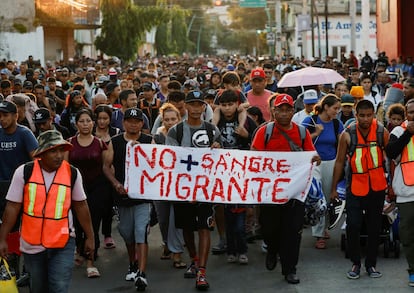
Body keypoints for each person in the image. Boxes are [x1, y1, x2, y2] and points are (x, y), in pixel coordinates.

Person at [0, 130, 95, 293]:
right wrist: (3, 239)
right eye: (53, 151)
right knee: (38, 288)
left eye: (61, 150)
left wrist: (91, 237)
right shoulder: (23, 172)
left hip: (63, 242)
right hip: (32, 244)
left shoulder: (72, 173)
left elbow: (81, 206)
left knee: (59, 286)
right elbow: (12, 207)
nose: (59, 155)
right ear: (41, 153)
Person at [251, 93, 320, 284]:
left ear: (292, 111)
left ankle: (290, 269)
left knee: (292, 231)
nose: (283, 113)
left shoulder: (301, 132)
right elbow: (254, 155)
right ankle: (272, 250)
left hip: (295, 192)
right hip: (270, 192)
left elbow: (311, 154)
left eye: (287, 110)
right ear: (273, 111)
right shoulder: (264, 132)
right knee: (270, 228)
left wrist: (316, 158)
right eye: (279, 110)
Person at [165, 90, 222, 291]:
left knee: (204, 228)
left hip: (206, 189)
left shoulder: (212, 130)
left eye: (200, 105)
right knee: (187, 228)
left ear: (204, 107)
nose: (197, 108)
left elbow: (222, 161)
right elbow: (170, 162)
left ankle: (202, 271)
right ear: (186, 107)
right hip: (183, 190)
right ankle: (194, 259)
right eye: (193, 104)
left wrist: (218, 147)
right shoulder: (175, 132)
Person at [330, 100, 389, 279]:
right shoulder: (347, 134)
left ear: (373, 115)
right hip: (355, 186)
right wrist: (333, 189)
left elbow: (390, 159)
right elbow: (339, 161)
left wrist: (392, 185)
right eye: (361, 115)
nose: (365, 119)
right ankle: (356, 263)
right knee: (353, 225)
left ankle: (371, 265)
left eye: (369, 115)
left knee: (374, 228)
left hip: (377, 187)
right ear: (356, 115)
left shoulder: (381, 132)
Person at [103, 108, 152, 291]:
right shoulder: (114, 142)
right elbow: (106, 167)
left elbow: (157, 165)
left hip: (142, 197)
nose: (133, 124)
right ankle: (133, 262)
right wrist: (116, 184)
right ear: (124, 123)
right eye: (130, 120)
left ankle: (142, 273)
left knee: (141, 231)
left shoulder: (148, 141)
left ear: (142, 123)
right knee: (127, 233)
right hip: (122, 196)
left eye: (137, 121)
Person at [65, 108, 111, 278]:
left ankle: (90, 261)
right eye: (81, 121)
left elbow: (107, 167)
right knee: (77, 224)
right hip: (76, 188)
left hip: (97, 188)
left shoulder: (100, 143)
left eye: (88, 121)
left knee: (93, 224)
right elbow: (65, 169)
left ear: (93, 123)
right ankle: (79, 250)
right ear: (76, 124)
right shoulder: (69, 143)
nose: (85, 124)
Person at [215, 89, 257, 264]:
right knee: (227, 213)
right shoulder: (216, 122)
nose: (227, 108)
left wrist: (247, 137)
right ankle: (231, 249)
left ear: (237, 105)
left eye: (230, 104)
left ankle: (242, 249)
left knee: (241, 213)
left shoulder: (247, 122)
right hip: (222, 173)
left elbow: (256, 142)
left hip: (242, 173)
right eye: (223, 105)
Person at [302, 94, 344, 249]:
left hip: (331, 163)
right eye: (335, 108)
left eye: (338, 109)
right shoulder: (310, 121)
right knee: (317, 197)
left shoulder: (336, 123)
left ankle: (323, 227)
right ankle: (318, 234)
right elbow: (301, 141)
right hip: (314, 163)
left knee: (327, 196)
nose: (337, 111)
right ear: (326, 107)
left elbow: (341, 142)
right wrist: (316, 133)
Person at [152, 103, 186, 268]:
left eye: (173, 119)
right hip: (161, 183)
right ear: (162, 120)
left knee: (177, 218)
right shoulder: (157, 137)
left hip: (179, 183)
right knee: (164, 218)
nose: (170, 122)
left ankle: (177, 252)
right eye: (167, 119)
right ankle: (167, 243)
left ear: (179, 119)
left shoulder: (185, 135)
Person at [385, 99, 414, 286]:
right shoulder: (397, 132)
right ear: (406, 115)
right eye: (411, 112)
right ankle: (412, 269)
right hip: (406, 191)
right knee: (408, 234)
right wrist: (407, 134)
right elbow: (391, 152)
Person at [93, 104, 120, 249]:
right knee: (95, 207)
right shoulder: (90, 132)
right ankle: (94, 236)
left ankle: (107, 235)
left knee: (108, 206)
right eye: (99, 118)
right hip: (94, 174)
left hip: (110, 174)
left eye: (105, 118)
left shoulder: (116, 132)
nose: (102, 121)